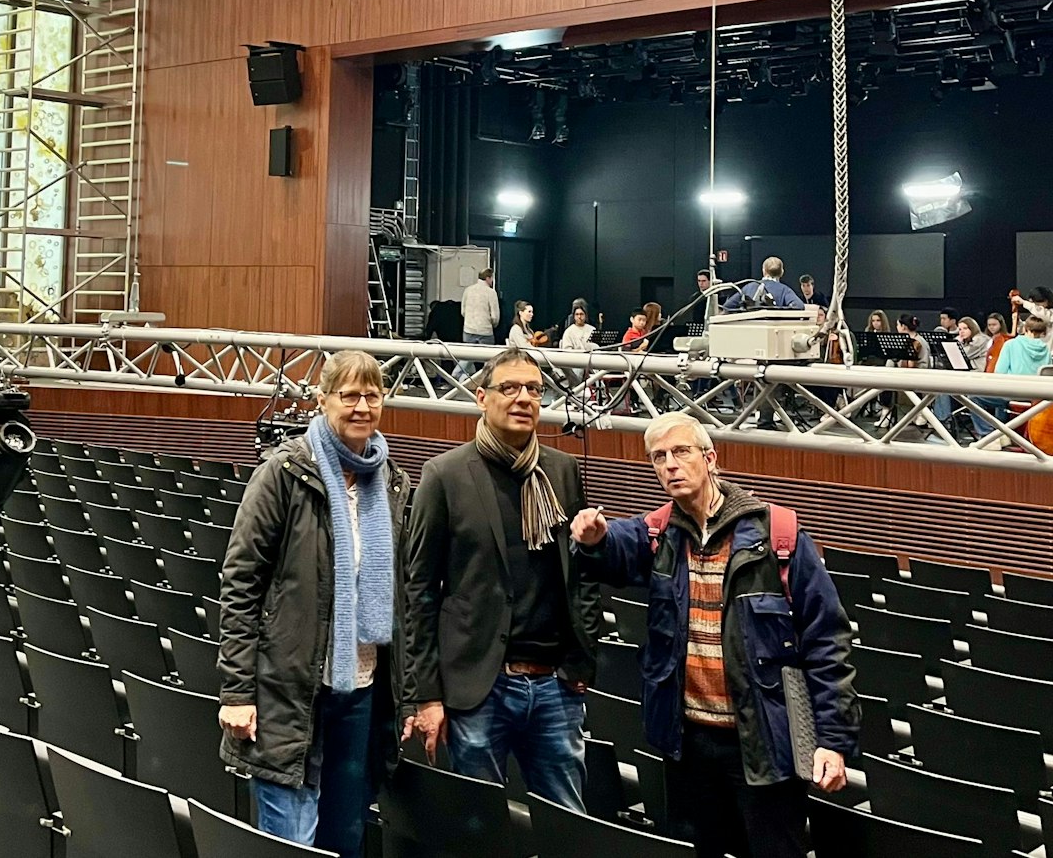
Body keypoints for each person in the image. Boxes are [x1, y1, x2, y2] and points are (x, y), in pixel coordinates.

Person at [569, 415, 856, 857]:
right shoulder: (661, 533)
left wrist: (833, 742)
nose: (670, 466)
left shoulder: (777, 535)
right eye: (659, 458)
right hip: (690, 746)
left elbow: (826, 643)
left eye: (681, 452)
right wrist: (594, 538)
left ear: (710, 458)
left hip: (763, 744)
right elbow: (615, 547)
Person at [218, 351, 408, 858]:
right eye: (349, 395)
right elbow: (240, 583)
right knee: (292, 840)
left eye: (372, 395)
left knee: (345, 836)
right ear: (322, 401)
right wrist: (237, 691)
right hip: (292, 687)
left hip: (361, 691)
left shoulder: (389, 479)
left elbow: (397, 591)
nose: (361, 406)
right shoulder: (284, 473)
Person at [402, 349, 604, 811]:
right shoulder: (444, 475)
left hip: (555, 686)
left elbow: (582, 572)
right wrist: (427, 695)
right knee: (480, 827)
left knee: (567, 830)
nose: (524, 399)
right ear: (481, 397)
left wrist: (582, 657)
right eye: (509, 388)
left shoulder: (562, 471)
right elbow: (419, 593)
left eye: (534, 389)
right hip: (478, 689)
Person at [723, 256, 805, 311]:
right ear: (782, 272)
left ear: (763, 271)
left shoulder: (748, 287)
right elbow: (799, 306)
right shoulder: (785, 290)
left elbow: (727, 307)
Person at [459, 268, 500, 378]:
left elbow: (463, 311)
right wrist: (493, 324)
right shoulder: (491, 293)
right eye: (492, 278)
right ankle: (486, 382)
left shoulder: (468, 290)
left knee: (467, 357)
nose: (492, 281)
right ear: (488, 278)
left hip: (468, 329)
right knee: (488, 359)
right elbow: (495, 316)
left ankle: (458, 376)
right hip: (485, 331)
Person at [1013, 286, 1053, 361]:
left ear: (1046, 301)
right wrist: (1017, 321)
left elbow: (1048, 316)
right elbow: (1025, 330)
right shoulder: (1038, 314)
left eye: (1036, 303)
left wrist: (1024, 303)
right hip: (1041, 357)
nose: (1035, 306)